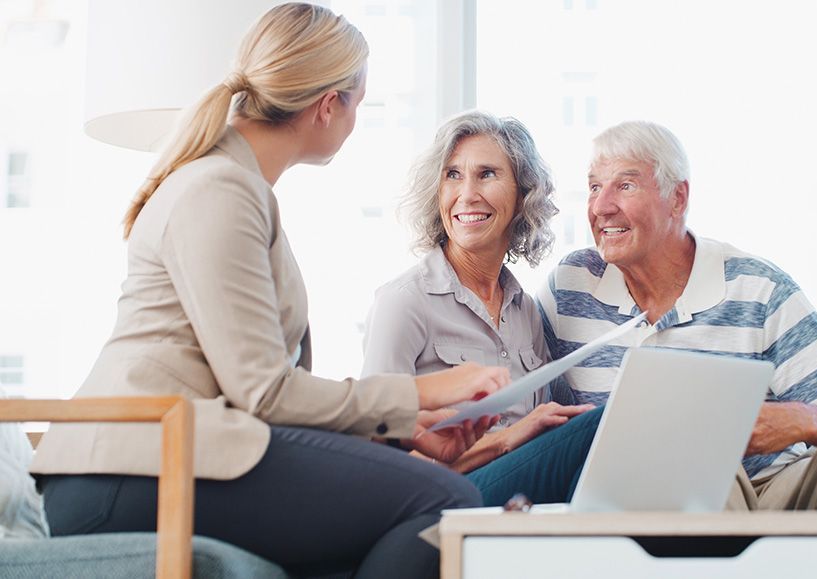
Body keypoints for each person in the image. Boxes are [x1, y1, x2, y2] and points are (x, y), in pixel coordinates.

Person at [29, 5, 509, 578]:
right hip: (127, 473)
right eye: (358, 103)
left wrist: (397, 430)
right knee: (443, 504)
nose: (356, 121)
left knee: (389, 518)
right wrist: (420, 394)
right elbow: (263, 391)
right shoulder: (219, 190)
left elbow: (257, 389)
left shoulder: (231, 186)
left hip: (159, 459)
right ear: (329, 106)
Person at [538, 120, 817, 510]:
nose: (600, 207)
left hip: (776, 489)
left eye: (625, 186)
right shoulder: (572, 286)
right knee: (688, 456)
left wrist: (795, 420)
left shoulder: (757, 287)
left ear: (677, 198)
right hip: (655, 496)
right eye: (595, 187)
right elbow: (513, 365)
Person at [362, 110, 601, 506]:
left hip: (520, 502)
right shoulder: (403, 302)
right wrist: (507, 439)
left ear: (522, 195)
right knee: (596, 428)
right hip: (442, 501)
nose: (467, 194)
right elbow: (377, 461)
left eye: (486, 174)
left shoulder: (525, 310)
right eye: (453, 175)